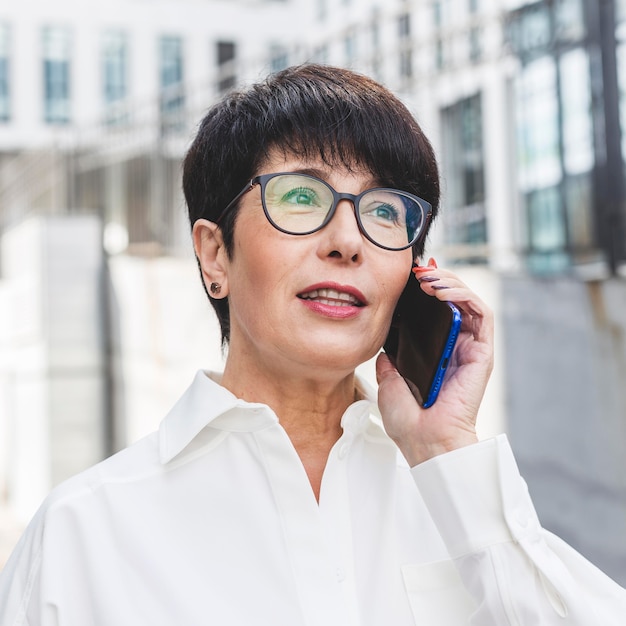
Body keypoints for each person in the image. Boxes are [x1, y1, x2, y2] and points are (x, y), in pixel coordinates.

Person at [1, 64, 625, 625]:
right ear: (214, 253)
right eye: (301, 197)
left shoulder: (457, 501)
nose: (348, 240)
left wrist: (444, 449)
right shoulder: (83, 534)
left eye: (384, 211)